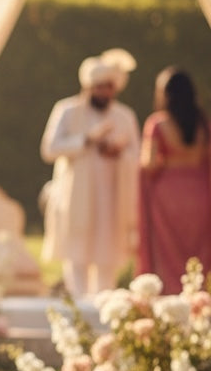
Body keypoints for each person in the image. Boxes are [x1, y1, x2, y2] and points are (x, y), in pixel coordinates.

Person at [40, 48, 140, 298]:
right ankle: (78, 303)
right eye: (98, 87)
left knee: (107, 252)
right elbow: (49, 149)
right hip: (76, 197)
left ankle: (105, 304)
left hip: (111, 196)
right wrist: (86, 140)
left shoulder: (124, 116)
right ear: (88, 86)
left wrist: (118, 152)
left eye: (108, 87)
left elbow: (137, 157)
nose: (103, 92)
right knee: (77, 252)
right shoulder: (67, 110)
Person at [137, 67, 211, 293]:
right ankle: (201, 295)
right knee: (201, 252)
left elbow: (148, 164)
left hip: (167, 197)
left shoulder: (158, 124)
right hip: (201, 194)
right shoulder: (205, 125)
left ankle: (171, 296)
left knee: (168, 253)